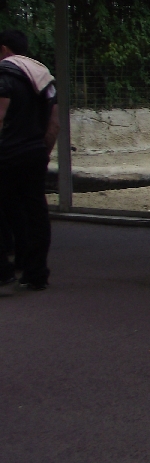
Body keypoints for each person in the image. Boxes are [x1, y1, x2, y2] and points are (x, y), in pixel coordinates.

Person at [0, 29, 59, 291]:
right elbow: (54, 123)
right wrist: (42, 150)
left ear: (3, 50)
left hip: (7, 154)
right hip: (34, 152)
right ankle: (35, 273)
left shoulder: (4, 75)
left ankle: (3, 272)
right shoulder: (43, 77)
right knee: (35, 212)